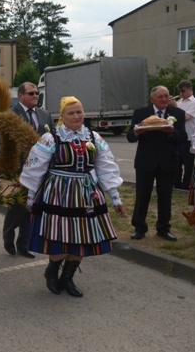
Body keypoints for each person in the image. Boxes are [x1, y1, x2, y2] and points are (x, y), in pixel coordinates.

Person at [20, 96, 125, 297]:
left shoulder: (94, 138)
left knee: (83, 238)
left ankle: (67, 278)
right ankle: (52, 271)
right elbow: (35, 169)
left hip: (87, 194)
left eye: (79, 112)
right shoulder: (52, 138)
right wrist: (31, 197)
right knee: (60, 237)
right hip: (58, 193)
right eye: (71, 113)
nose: (76, 116)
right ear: (62, 116)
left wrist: (115, 197)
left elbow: (107, 169)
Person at [0, 82, 52, 259]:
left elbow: (51, 139)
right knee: (17, 207)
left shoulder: (45, 115)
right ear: (21, 95)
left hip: (39, 170)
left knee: (31, 208)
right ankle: (8, 236)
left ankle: (24, 244)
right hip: (16, 170)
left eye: (37, 93)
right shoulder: (10, 115)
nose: (36, 96)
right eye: (32, 93)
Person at [127, 85, 186, 241]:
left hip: (168, 161)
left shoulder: (177, 113)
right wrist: (137, 132)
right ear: (151, 99)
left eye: (166, 96)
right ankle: (139, 228)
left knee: (165, 197)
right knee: (142, 196)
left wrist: (172, 132)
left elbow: (182, 138)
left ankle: (163, 228)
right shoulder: (141, 113)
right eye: (160, 96)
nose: (164, 99)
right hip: (146, 162)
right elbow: (130, 137)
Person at [171, 80, 195, 190]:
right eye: (179, 91)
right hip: (177, 135)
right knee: (177, 161)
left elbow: (186, 117)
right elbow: (172, 117)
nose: (180, 93)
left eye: (183, 91)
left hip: (188, 136)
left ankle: (186, 184)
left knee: (187, 163)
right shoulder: (179, 102)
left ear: (189, 89)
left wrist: (175, 107)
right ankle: (176, 183)